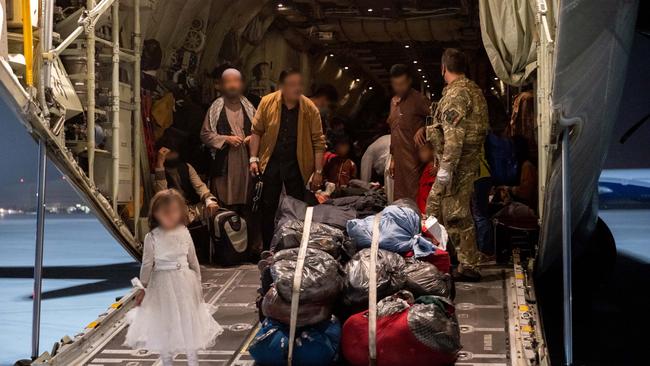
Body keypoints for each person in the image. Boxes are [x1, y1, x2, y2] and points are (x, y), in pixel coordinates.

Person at [124, 189, 223, 366]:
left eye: (174, 212)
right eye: (165, 212)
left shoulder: (184, 232)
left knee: (188, 323)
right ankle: (168, 361)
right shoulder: (152, 237)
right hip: (162, 285)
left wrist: (198, 286)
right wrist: (142, 288)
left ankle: (193, 362)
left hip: (185, 282)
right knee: (165, 325)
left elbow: (193, 261)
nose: (170, 216)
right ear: (156, 214)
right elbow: (147, 265)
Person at [426, 48, 488, 282]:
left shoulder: (456, 95)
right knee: (440, 211)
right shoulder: (473, 90)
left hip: (457, 166)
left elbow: (454, 136)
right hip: (466, 163)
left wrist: (446, 167)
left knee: (454, 215)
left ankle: (464, 264)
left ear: (443, 68)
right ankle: (452, 258)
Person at [248, 69, 326, 248]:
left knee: (297, 207)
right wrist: (253, 158)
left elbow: (319, 141)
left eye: (299, 84)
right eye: (292, 85)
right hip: (271, 162)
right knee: (267, 207)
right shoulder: (267, 102)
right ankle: (268, 248)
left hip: (297, 165)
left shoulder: (309, 108)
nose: (296, 88)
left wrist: (318, 171)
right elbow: (256, 131)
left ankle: (294, 248)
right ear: (281, 86)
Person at [201, 68, 256, 209]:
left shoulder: (250, 107)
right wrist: (226, 139)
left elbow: (262, 132)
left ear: (242, 84)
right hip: (224, 162)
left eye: (235, 81)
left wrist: (252, 138)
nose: (232, 85)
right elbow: (205, 135)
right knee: (225, 203)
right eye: (228, 82)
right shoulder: (215, 108)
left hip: (246, 162)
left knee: (247, 201)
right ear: (221, 85)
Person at [154, 128, 219, 223]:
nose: (172, 155)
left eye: (173, 152)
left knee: (213, 209)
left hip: (190, 208)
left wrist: (209, 200)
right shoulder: (159, 171)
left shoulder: (186, 167)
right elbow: (161, 195)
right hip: (171, 211)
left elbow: (200, 187)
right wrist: (160, 164)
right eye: (168, 153)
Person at [387, 64, 430, 201]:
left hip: (415, 162)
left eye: (402, 84)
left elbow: (438, 118)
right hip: (399, 162)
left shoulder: (419, 99)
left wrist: (424, 128)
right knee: (399, 200)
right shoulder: (393, 102)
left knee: (416, 199)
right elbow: (393, 130)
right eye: (396, 84)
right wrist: (392, 158)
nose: (399, 87)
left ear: (409, 81)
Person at [497, 135, 538, 209]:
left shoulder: (527, 166)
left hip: (526, 208)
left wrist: (509, 189)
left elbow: (526, 192)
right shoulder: (519, 165)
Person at [416, 143, 437, 215]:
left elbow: (428, 193)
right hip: (421, 208)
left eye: (424, 151)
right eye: (419, 151)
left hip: (427, 209)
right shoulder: (426, 168)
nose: (421, 154)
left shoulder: (433, 171)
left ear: (433, 151)